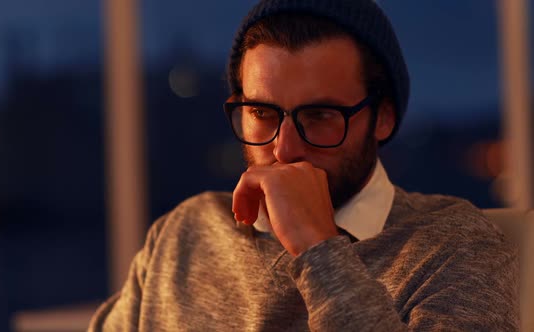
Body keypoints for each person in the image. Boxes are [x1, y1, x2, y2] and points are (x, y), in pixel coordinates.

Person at [89, 0, 519, 330]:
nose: (284, 150)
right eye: (262, 113)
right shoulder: (184, 232)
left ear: (382, 117)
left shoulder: (452, 245)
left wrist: (318, 249)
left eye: (319, 116)